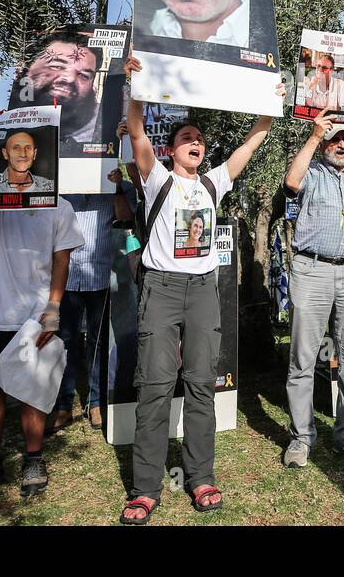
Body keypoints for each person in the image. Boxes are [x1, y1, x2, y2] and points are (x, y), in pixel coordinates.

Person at [118, 53, 281, 523]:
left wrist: (269, 106)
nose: (195, 142)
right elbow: (136, 133)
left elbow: (251, 145)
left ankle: (201, 477)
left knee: (200, 386)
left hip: (204, 290)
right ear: (171, 151)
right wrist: (137, 89)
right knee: (153, 386)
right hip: (162, 290)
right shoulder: (157, 180)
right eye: (186, 138)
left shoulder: (213, 184)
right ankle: (146, 488)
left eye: (199, 139)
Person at [0, 143, 85, 501]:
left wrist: (53, 308)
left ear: (38, 153)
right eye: (14, 147)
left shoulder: (61, 205)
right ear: (4, 154)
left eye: (28, 146)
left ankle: (34, 458)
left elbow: (62, 262)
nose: (22, 152)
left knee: (33, 390)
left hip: (35, 313)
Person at [282, 114, 344, 468]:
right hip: (312, 270)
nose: (340, 144)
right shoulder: (311, 174)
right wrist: (313, 136)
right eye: (333, 139)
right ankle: (301, 437)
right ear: (324, 144)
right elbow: (291, 182)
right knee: (303, 358)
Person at [51, 177, 133, 432]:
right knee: (65, 341)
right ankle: (63, 404)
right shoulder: (61, 182)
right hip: (66, 277)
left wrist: (118, 188)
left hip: (100, 276)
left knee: (97, 342)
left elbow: (126, 219)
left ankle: (95, 401)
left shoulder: (120, 187)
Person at [19, 30, 103, 148]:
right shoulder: (10, 124)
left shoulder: (103, 127)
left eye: (84, 75)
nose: (69, 79)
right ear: (28, 69)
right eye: (57, 66)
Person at [0, 130, 54, 194]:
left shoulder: (47, 185)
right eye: (16, 148)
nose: (23, 154)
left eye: (28, 148)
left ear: (34, 154)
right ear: (5, 153)